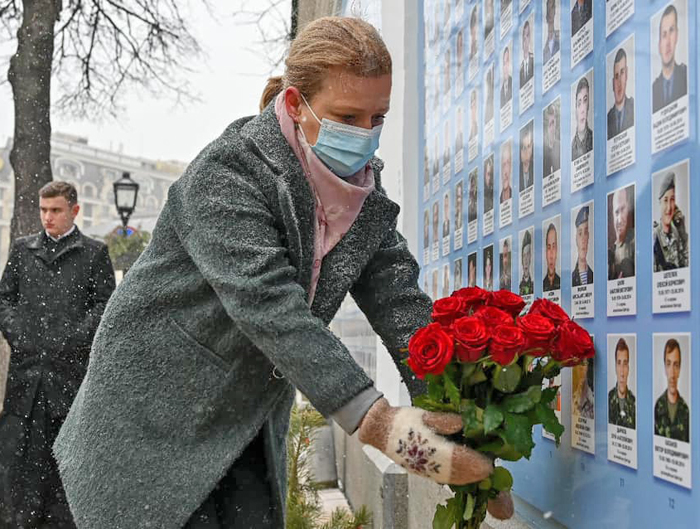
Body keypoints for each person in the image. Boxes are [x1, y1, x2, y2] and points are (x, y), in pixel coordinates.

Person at [52, 18, 512, 529]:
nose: (365, 136)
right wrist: (383, 426)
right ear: (296, 104)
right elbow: (271, 307)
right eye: (346, 116)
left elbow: (402, 307)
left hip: (241, 418)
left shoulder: (361, 195)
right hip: (151, 417)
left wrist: (464, 430)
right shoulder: (228, 174)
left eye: (376, 117)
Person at [0, 182, 115, 528]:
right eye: (43, 210)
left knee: (63, 468)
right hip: (26, 380)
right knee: (17, 466)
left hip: (69, 381)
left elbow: (105, 308)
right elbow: (4, 299)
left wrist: (70, 339)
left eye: (56, 210)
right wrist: (20, 336)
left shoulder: (94, 254)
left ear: (74, 211)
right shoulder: (22, 250)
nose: (47, 218)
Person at [652, 4, 688, 113]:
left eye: (671, 31)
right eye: (664, 35)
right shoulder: (653, 90)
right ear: (659, 44)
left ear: (677, 35)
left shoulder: (686, 75)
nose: (667, 42)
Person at [654, 338, 690, 442]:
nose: (672, 373)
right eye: (668, 364)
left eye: (676, 365)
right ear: (665, 368)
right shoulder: (658, 407)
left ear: (679, 369)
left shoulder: (686, 411)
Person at [653, 172, 688, 271]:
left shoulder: (677, 235)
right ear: (659, 202)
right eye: (665, 200)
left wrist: (683, 234)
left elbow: (687, 267)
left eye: (672, 199)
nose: (669, 207)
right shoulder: (654, 237)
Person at [607, 47, 635, 139]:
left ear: (626, 75)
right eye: (616, 76)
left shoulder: (634, 107)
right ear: (612, 82)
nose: (619, 82)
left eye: (622, 73)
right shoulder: (608, 119)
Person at [608, 186, 635, 280]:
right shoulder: (610, 253)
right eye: (616, 212)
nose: (619, 220)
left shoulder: (636, 243)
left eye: (623, 209)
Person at [608, 338, 636, 429]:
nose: (622, 372)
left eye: (625, 363)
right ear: (615, 367)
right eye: (619, 363)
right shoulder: (607, 400)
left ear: (628, 368)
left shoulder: (635, 403)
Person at [572, 76, 593, 160]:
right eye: (579, 103)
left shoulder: (594, 139)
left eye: (585, 101)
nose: (582, 110)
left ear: (588, 105)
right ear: (575, 108)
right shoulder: (571, 148)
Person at [572, 206, 593, 287]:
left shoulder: (594, 277)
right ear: (576, 239)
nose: (583, 239)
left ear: (589, 236)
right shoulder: (571, 280)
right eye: (580, 233)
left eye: (586, 232)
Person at [543, 104, 560, 176]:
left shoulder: (561, 147)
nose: (552, 128)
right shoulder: (543, 152)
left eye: (553, 123)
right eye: (550, 125)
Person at [543, 223, 561, 291]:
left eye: (553, 247)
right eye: (549, 247)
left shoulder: (561, 283)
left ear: (557, 250)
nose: (551, 255)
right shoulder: (542, 285)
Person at [519, 20, 534, 86]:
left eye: (527, 35)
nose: (525, 39)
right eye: (524, 36)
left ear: (530, 38)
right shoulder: (520, 70)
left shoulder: (534, 61)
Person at [519, 230, 534, 296]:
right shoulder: (519, 286)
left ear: (530, 257)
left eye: (528, 254)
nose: (525, 260)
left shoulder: (534, 285)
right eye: (524, 255)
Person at [520, 124, 534, 191]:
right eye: (524, 148)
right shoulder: (516, 176)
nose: (526, 152)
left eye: (529, 146)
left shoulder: (536, 170)